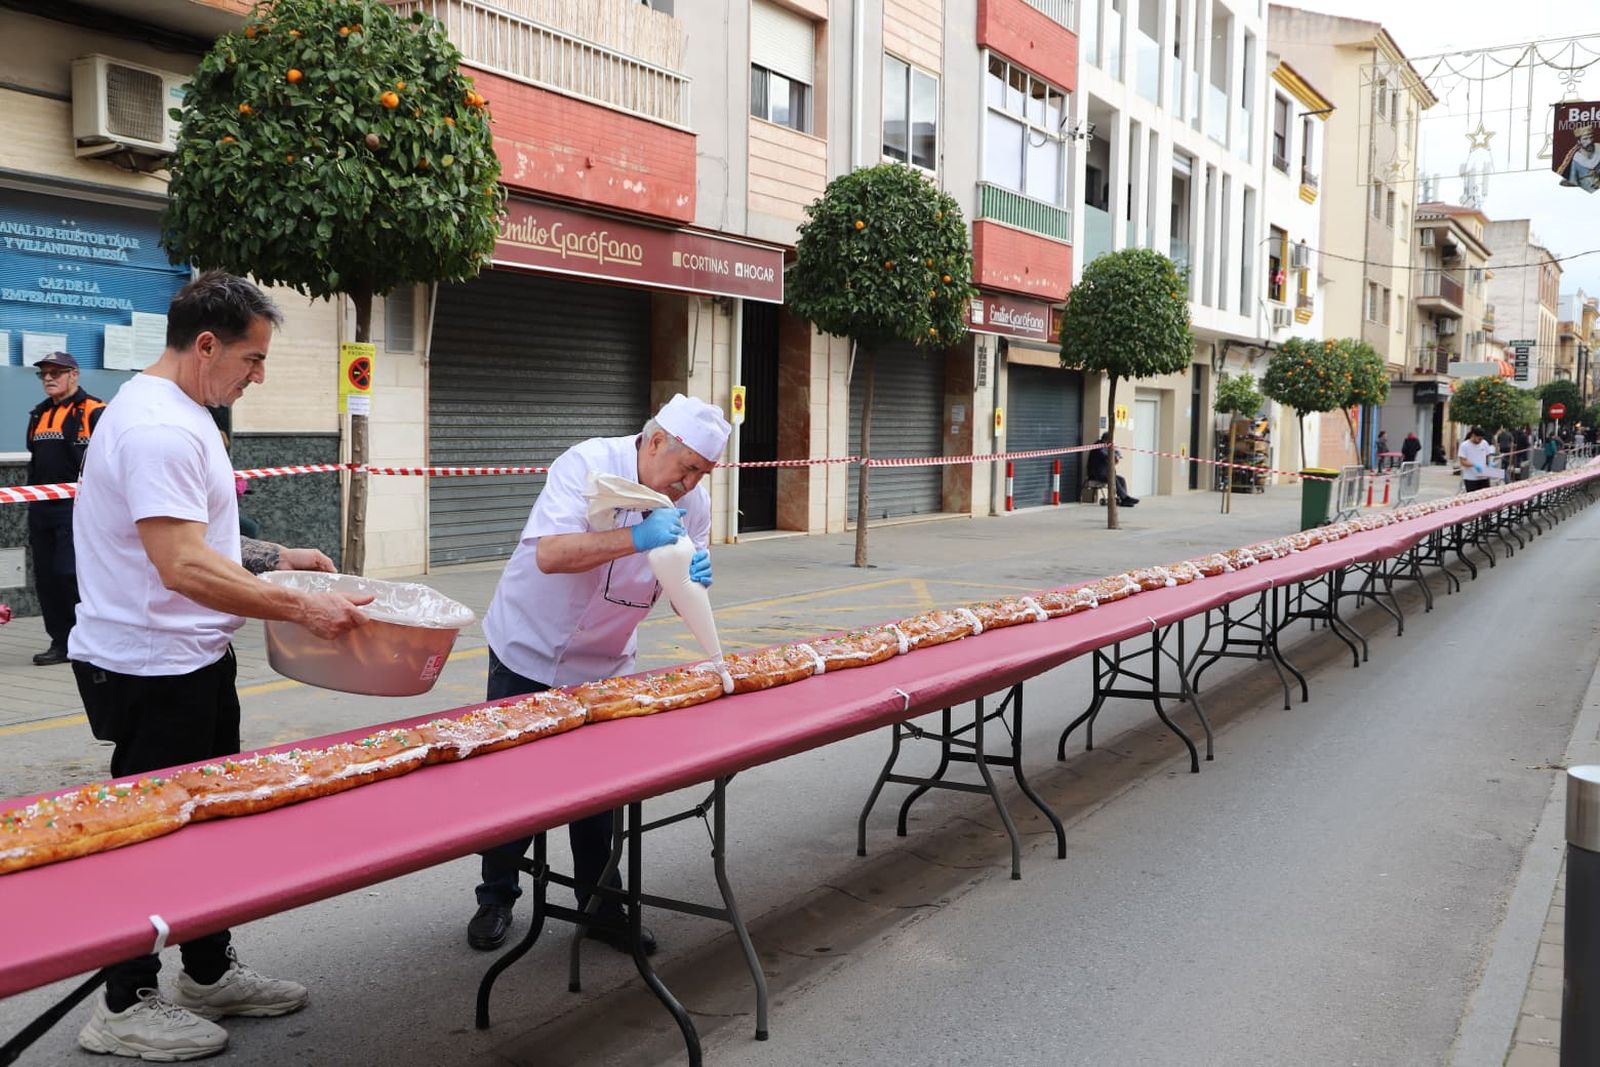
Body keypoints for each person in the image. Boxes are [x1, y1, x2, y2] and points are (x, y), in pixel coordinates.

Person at [69, 272, 371, 1061]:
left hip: (190, 656)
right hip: (149, 667)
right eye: (252, 358)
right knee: (148, 837)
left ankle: (205, 970)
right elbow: (181, 565)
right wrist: (302, 607)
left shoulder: (185, 409)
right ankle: (124, 1001)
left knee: (205, 827)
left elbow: (201, 543)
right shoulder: (158, 428)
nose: (258, 375)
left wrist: (279, 558)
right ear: (206, 345)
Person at [466, 393, 730, 955]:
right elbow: (552, 554)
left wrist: (697, 580)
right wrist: (635, 538)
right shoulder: (587, 464)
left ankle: (600, 904)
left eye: (702, 474)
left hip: (607, 662)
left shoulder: (694, 504)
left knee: (599, 791)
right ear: (656, 441)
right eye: (686, 469)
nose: (689, 484)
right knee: (515, 783)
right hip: (529, 646)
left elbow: (686, 580)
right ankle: (496, 896)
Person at [24, 352, 104, 666]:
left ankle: (87, 637)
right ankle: (61, 641)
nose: (48, 378)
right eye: (43, 374)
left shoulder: (95, 410)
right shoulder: (38, 414)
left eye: (56, 372)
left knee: (69, 573)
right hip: (41, 507)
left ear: (74, 374)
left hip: (77, 508)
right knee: (47, 578)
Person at [1085, 432, 1137, 507]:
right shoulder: (1098, 446)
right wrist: (1113, 457)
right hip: (1097, 474)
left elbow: (1115, 452)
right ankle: (1125, 498)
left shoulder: (1106, 446)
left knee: (1121, 479)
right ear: (1107, 440)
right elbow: (1106, 455)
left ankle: (1124, 499)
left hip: (1105, 473)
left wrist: (1117, 455)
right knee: (1113, 478)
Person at [1560, 123, 1600, 192]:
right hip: (1585, 192)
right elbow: (1573, 180)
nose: (1590, 141)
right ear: (1579, 141)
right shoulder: (1576, 159)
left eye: (1591, 137)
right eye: (1585, 139)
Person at [1459, 426, 1494, 493]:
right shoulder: (1464, 445)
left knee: (1485, 497)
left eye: (1481, 439)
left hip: (1484, 476)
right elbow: (1462, 461)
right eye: (1479, 439)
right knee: (1473, 498)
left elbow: (1488, 456)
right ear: (1473, 435)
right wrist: (1474, 465)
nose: (1480, 441)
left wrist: (1490, 463)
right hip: (1471, 478)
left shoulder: (1484, 443)